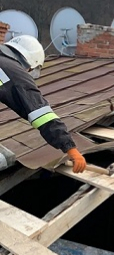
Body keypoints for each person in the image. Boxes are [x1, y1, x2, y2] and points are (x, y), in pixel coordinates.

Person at [0, 35, 86, 173]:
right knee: (3, 159)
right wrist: (71, 148)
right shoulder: (11, 69)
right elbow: (40, 113)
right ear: (30, 63)